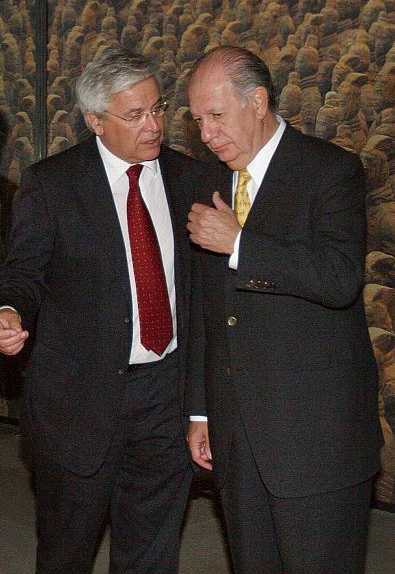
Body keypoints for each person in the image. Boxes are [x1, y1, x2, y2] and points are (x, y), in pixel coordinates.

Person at [0, 48, 200, 574]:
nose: (153, 126)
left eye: (158, 108)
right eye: (135, 115)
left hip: (166, 395)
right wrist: (8, 311)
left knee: (153, 550)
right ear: (95, 122)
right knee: (66, 549)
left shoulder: (192, 179)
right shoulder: (53, 184)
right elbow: (23, 272)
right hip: (78, 400)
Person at [185, 45, 382, 574]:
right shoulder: (212, 185)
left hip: (315, 441)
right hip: (237, 436)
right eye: (198, 120)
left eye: (216, 116)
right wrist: (201, 410)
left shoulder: (330, 171)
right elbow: (209, 312)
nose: (205, 134)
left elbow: (340, 279)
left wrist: (241, 245)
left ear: (257, 100)